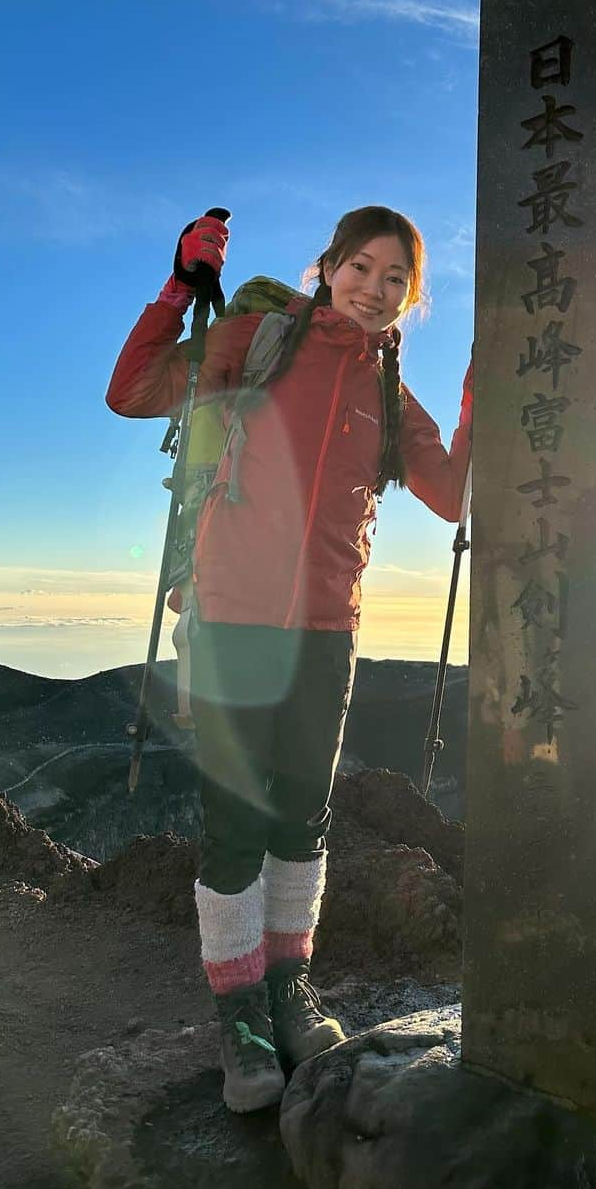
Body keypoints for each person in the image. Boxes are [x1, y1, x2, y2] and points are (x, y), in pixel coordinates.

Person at [106, 207, 472, 1113]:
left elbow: (455, 494)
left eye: (396, 279)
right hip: (231, 622)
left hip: (325, 630)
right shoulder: (255, 341)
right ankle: (239, 1013)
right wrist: (179, 289)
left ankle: (284, 986)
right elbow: (135, 390)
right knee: (235, 822)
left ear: (411, 299)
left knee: (301, 819)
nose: (374, 289)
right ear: (328, 266)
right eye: (362, 267)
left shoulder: (387, 389)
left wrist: (478, 398)